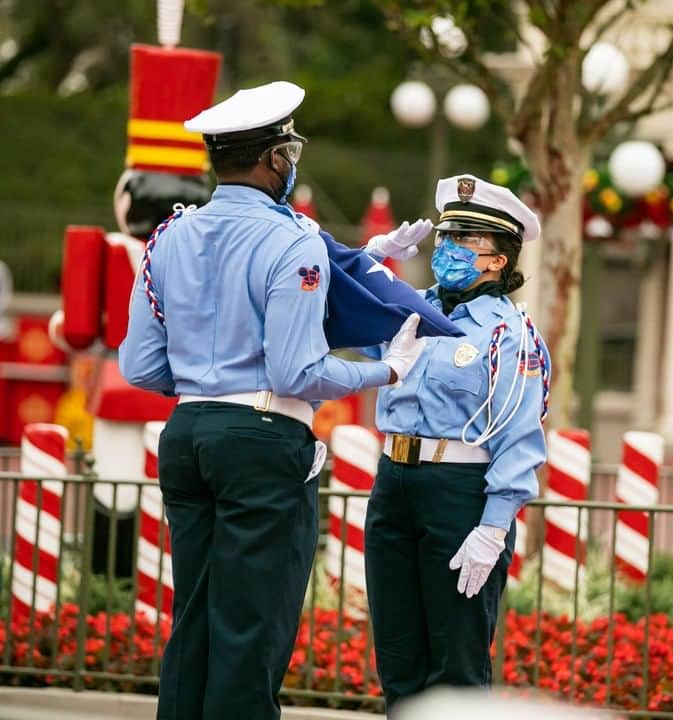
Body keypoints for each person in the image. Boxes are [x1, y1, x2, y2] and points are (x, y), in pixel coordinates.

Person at [118, 80, 430, 720]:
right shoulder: (294, 240)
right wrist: (386, 374)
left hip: (188, 434)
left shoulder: (169, 237)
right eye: (291, 152)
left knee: (197, 621)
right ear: (276, 160)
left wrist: (206, 382)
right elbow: (296, 371)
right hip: (261, 438)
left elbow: (140, 365)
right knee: (251, 630)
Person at [364, 174, 550, 717]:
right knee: (397, 656)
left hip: (458, 491)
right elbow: (324, 310)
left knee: (457, 663)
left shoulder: (508, 334)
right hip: (393, 481)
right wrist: (369, 258)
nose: (446, 250)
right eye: (445, 238)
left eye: (465, 242)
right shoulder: (408, 309)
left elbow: (520, 435)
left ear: (498, 260)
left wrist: (493, 526)